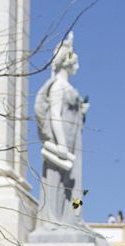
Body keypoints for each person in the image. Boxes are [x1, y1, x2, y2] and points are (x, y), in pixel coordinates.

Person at [34, 32, 89, 228]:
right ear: (66, 61)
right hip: (62, 140)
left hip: (74, 139)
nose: (77, 66)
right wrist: (62, 144)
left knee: (75, 182)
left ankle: (73, 216)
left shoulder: (67, 87)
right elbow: (55, 115)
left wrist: (81, 112)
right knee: (57, 179)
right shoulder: (57, 87)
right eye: (75, 61)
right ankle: (54, 218)